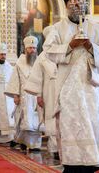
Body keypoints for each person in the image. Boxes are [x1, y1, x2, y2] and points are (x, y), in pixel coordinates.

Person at [43, 0, 99, 173]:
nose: (77, 4)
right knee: (70, 123)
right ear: (66, 5)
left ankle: (91, 161)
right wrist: (70, 45)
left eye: (80, 0)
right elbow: (48, 51)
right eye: (73, 1)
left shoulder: (97, 29)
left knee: (91, 121)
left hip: (90, 87)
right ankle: (72, 164)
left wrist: (89, 46)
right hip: (67, 87)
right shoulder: (57, 29)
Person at [24, 26, 59, 157]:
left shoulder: (65, 52)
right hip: (49, 91)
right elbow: (37, 77)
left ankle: (65, 149)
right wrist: (39, 95)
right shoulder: (42, 57)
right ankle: (54, 148)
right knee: (51, 117)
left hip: (65, 91)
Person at [6, 36, 42, 151]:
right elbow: (15, 79)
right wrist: (15, 95)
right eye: (30, 48)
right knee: (24, 120)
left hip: (37, 96)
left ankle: (35, 145)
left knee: (36, 120)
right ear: (25, 49)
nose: (32, 50)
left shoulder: (40, 62)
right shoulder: (19, 63)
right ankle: (23, 142)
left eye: (34, 48)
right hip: (24, 96)